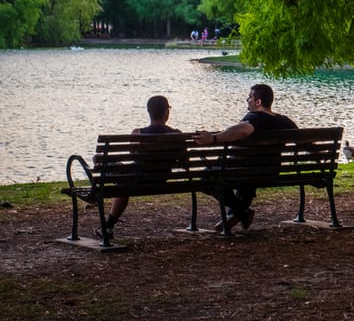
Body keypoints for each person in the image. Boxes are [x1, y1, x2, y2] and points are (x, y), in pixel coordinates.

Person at [195, 83, 297, 232]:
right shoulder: (284, 121)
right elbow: (304, 142)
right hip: (271, 173)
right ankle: (238, 214)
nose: (247, 100)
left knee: (206, 177)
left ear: (258, 102)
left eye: (250, 97)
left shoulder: (254, 117)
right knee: (245, 174)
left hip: (248, 172)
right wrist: (320, 157)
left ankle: (242, 212)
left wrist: (214, 138)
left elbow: (243, 130)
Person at [97, 95, 180, 240]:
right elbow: (184, 162)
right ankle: (108, 227)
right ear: (167, 112)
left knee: (104, 164)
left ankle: (108, 226)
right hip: (162, 179)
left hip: (137, 180)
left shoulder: (137, 134)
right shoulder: (177, 135)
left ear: (149, 112)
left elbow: (132, 154)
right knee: (123, 179)